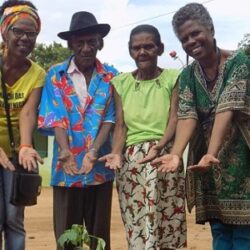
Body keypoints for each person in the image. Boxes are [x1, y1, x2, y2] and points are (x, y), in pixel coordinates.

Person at [152, 3, 250, 250]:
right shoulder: (187, 76)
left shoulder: (239, 62)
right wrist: (175, 153)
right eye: (184, 38)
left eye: (195, 33)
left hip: (242, 164)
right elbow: (186, 116)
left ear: (211, 29)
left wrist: (211, 152)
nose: (191, 41)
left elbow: (227, 107)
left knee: (243, 233)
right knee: (218, 229)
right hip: (208, 168)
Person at [99, 24, 186, 250]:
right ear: (130, 51)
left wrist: (160, 146)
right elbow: (120, 125)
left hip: (165, 156)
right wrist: (117, 153)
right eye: (136, 48)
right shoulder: (121, 83)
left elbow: (174, 118)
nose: (142, 52)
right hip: (132, 161)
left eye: (148, 46)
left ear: (160, 48)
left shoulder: (173, 78)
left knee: (167, 218)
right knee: (136, 220)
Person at [38, 11, 118, 250]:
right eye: (79, 42)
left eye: (91, 41)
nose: (85, 48)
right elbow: (56, 116)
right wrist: (64, 150)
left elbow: (110, 119)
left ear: (99, 43)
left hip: (100, 169)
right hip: (67, 169)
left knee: (99, 237)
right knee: (66, 238)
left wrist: (93, 151)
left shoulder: (111, 76)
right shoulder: (56, 75)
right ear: (70, 44)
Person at [0, 1, 45, 249]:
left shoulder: (37, 73)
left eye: (32, 33)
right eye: (19, 31)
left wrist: (26, 145)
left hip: (14, 156)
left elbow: (28, 112)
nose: (25, 38)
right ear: (5, 31)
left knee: (14, 218)